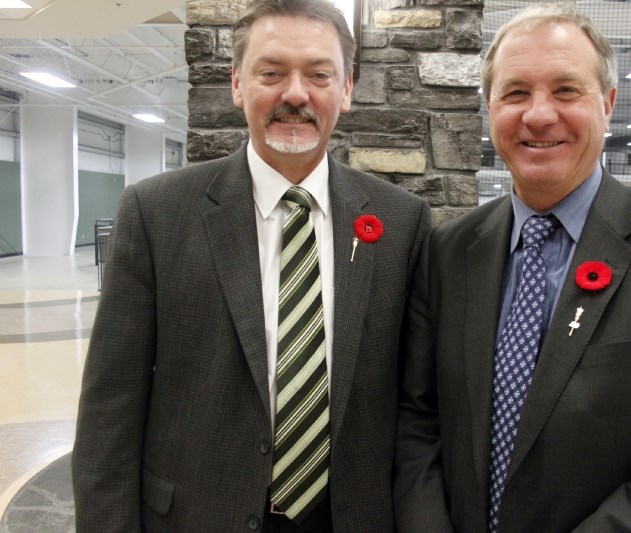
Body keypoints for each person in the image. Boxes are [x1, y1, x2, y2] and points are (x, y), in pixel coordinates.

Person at [72, 0, 431, 530]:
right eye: (271, 72)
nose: (294, 93)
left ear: (347, 89)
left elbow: (415, 408)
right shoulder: (157, 214)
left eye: (318, 74)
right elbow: (111, 410)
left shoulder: (402, 224)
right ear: (238, 85)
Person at [393, 3, 631, 532]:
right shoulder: (447, 253)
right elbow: (418, 423)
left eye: (565, 90)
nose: (538, 114)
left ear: (607, 104)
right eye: (515, 92)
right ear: (490, 108)